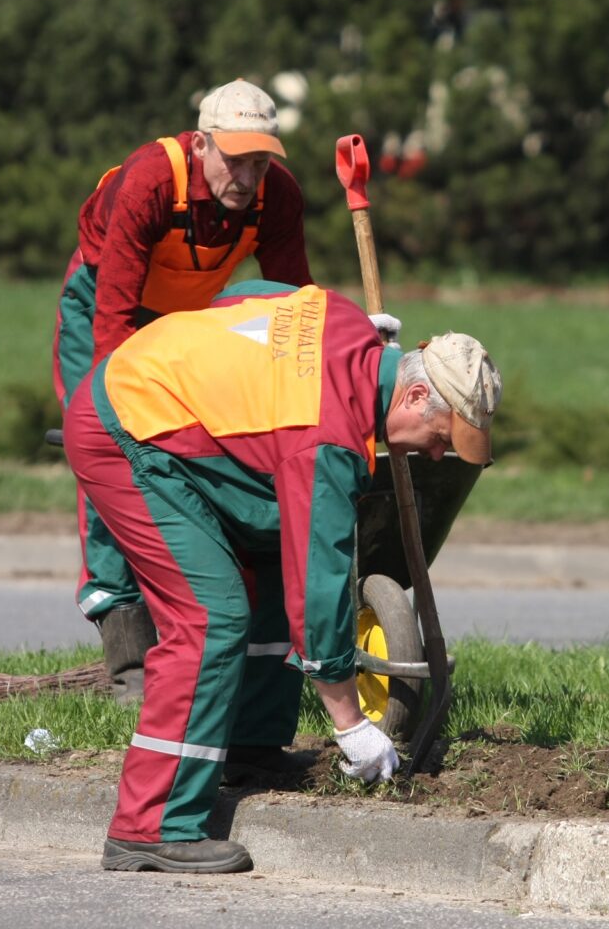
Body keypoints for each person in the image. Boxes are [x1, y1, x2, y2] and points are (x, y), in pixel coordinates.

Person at [62, 279, 501, 873]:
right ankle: (151, 823)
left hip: (179, 416)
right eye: (439, 438)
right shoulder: (327, 439)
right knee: (209, 617)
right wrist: (351, 724)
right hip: (129, 429)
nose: (430, 455)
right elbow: (318, 589)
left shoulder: (343, 320)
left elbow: (245, 294)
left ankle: (250, 745)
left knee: (268, 550)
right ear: (414, 393)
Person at [50, 79, 319, 706]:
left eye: (261, 161)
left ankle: (210, 621)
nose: (249, 176)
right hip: (102, 302)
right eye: (235, 158)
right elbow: (115, 313)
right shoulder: (151, 180)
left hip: (186, 321)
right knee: (107, 452)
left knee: (198, 450)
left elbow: (292, 307)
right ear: (200, 144)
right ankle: (124, 644)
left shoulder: (276, 198)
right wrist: (118, 412)